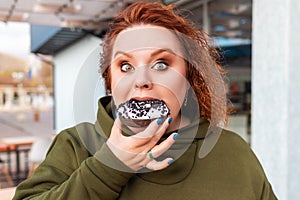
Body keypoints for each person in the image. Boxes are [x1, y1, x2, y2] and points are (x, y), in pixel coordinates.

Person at [13, 2, 277, 199]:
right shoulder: (76, 147)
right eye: (125, 66)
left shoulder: (233, 153)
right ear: (110, 81)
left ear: (189, 78)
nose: (141, 80)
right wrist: (108, 167)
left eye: (161, 64)